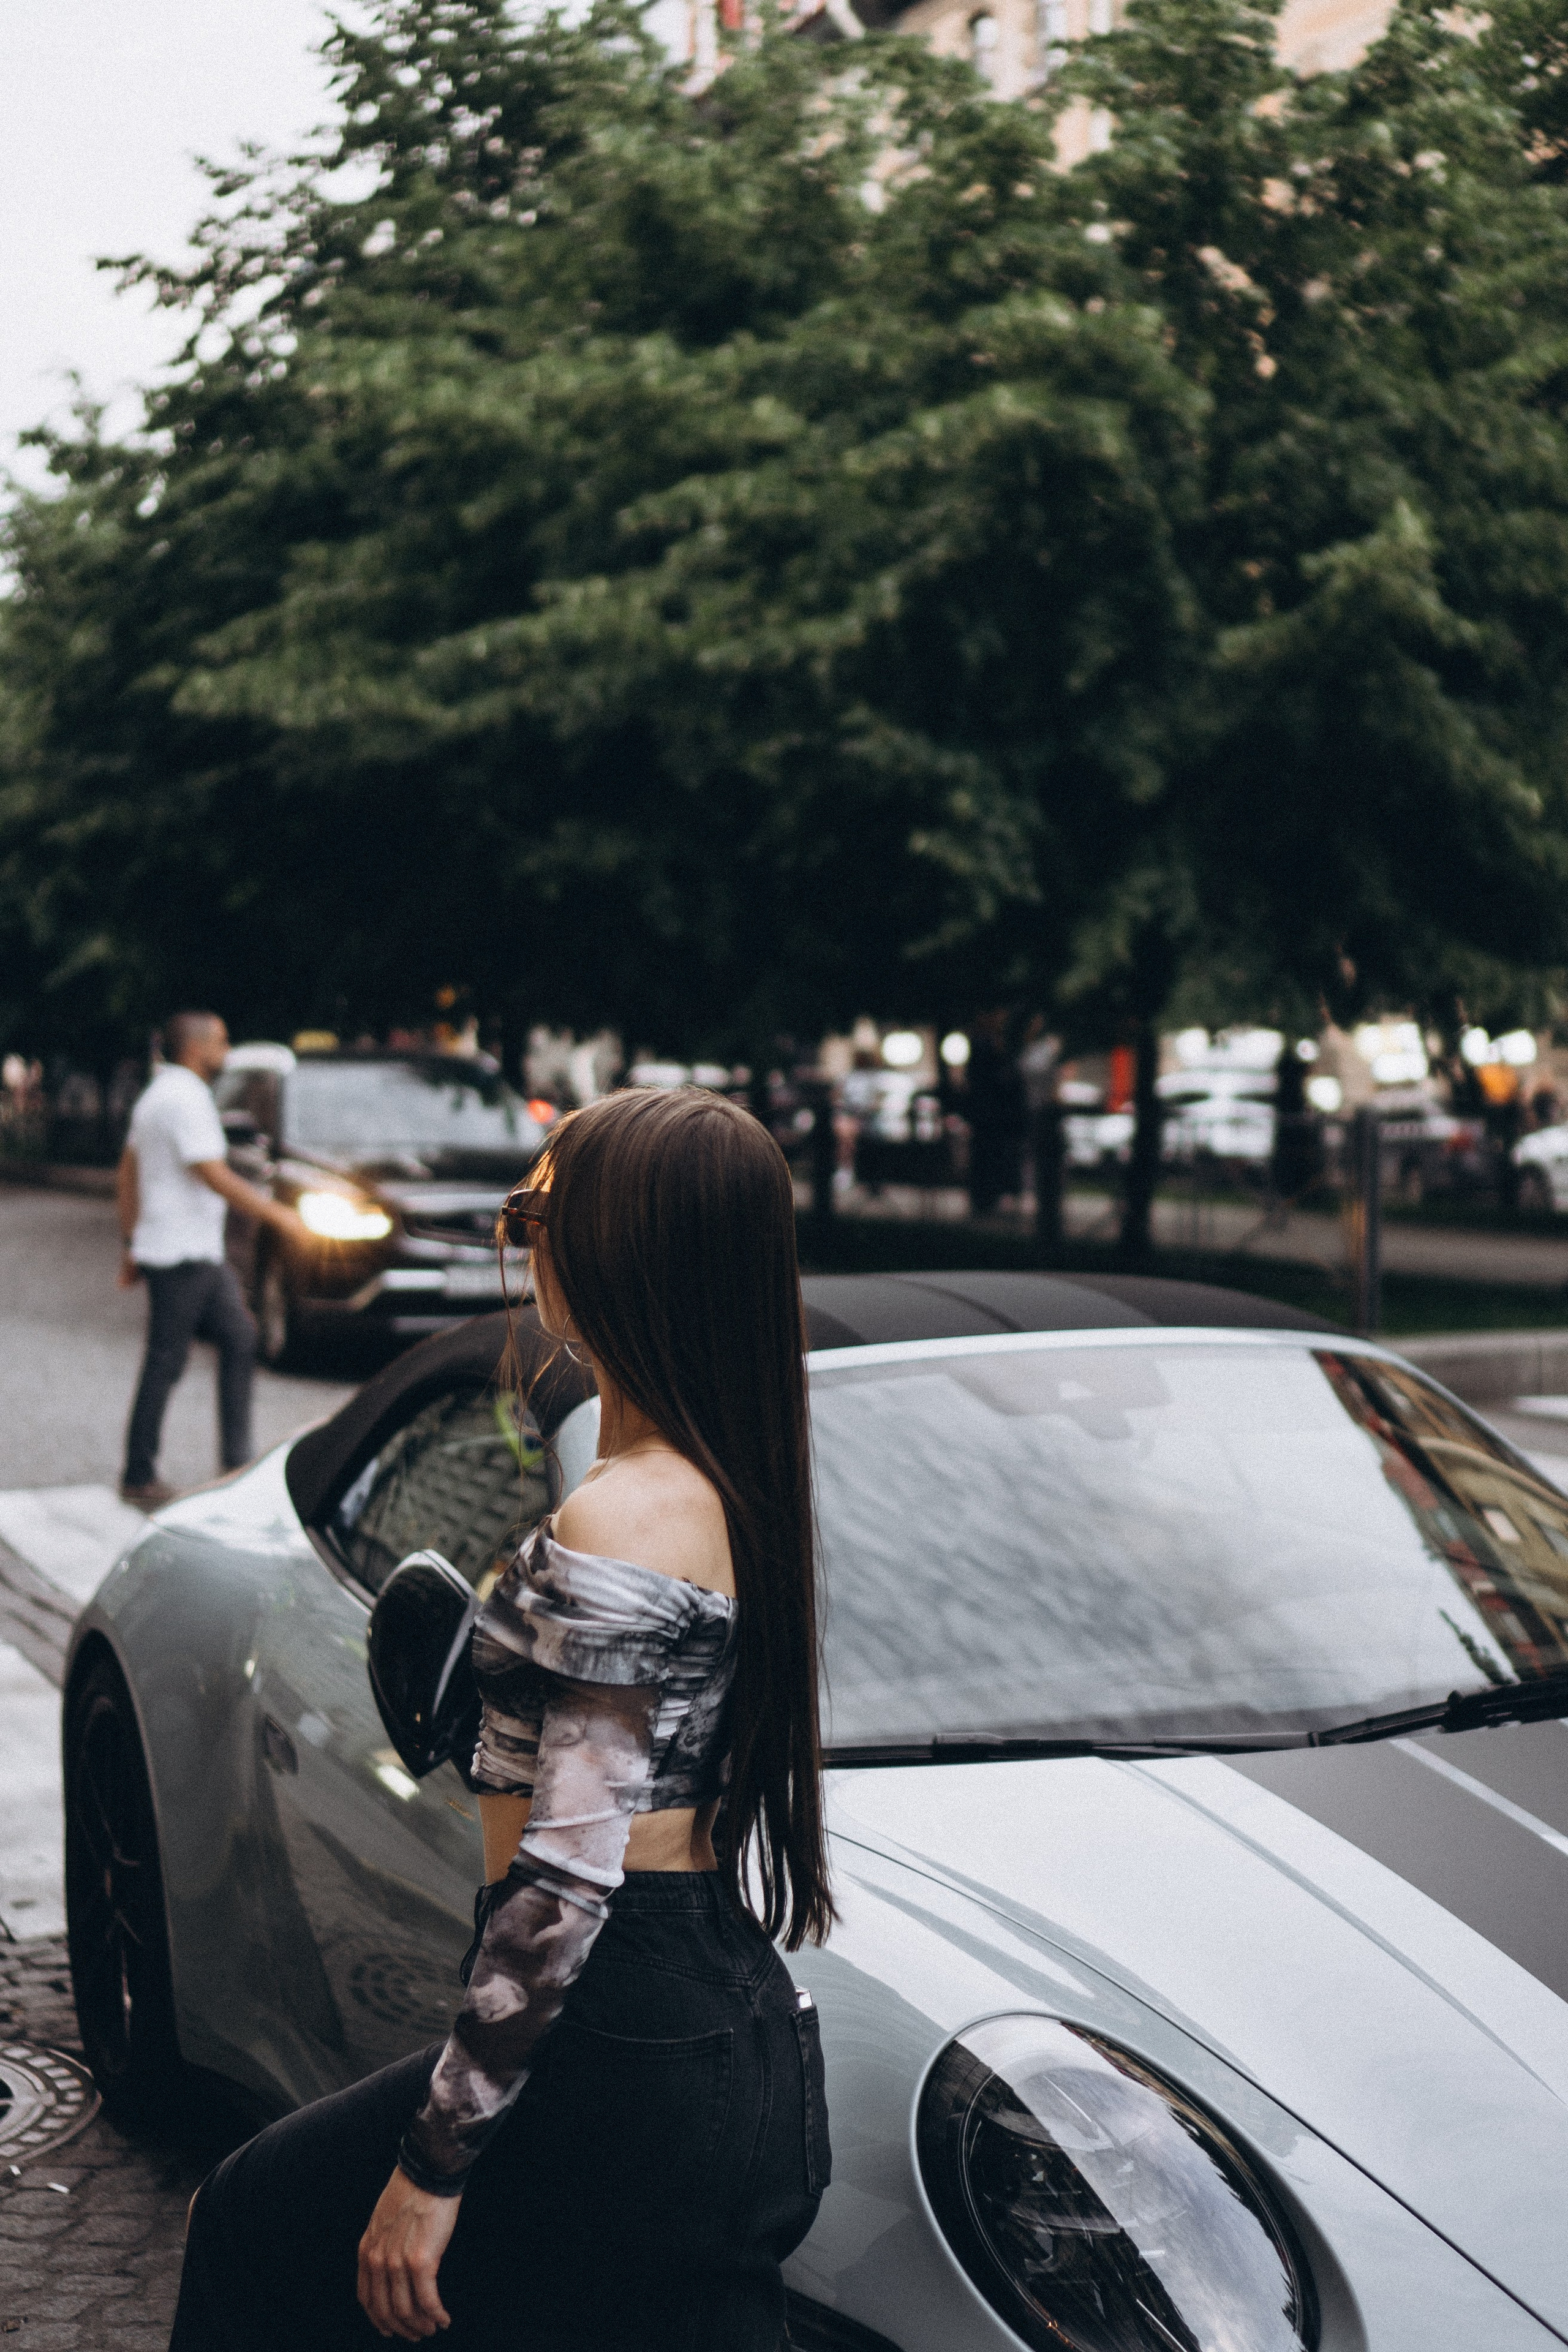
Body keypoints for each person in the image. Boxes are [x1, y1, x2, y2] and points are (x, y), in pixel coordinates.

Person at [167, 1086, 834, 2351]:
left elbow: (565, 1884)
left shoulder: (623, 1514)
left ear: (621, 1244)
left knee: (253, 2226)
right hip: (712, 2017)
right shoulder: (727, 1479)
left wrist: (430, 2168)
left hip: (611, 2031)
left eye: (539, 1209)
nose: (519, 1237)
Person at [118, 1012, 306, 1508]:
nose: (227, 1050)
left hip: (185, 1248)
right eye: (222, 1042)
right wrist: (278, 1216)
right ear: (197, 1049)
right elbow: (212, 1173)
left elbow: (127, 1173)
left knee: (240, 1336)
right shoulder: (188, 1097)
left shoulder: (156, 1095)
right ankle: (139, 1475)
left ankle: (235, 1459)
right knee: (167, 1359)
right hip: (182, 1252)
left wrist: (129, 1243)